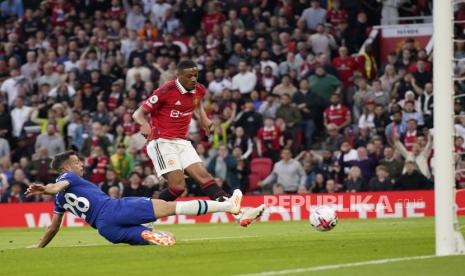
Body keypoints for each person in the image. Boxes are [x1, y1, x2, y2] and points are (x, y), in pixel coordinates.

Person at [132, 60, 265, 227]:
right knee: (178, 187)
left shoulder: (199, 90)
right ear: (179, 76)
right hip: (162, 141)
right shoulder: (166, 90)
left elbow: (197, 104)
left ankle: (237, 213)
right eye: (189, 76)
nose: (193, 79)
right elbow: (138, 114)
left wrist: (203, 118)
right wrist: (144, 124)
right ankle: (144, 217)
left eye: (195, 75)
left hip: (182, 142)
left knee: (205, 177)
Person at [25, 151, 243, 247]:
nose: (81, 165)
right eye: (77, 162)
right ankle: (227, 205)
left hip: (105, 229)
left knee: (161, 236)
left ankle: (153, 235)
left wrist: (39, 246)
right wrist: (45, 188)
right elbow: (57, 186)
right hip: (116, 209)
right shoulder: (68, 177)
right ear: (67, 167)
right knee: (172, 207)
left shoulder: (59, 200)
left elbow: (53, 228)